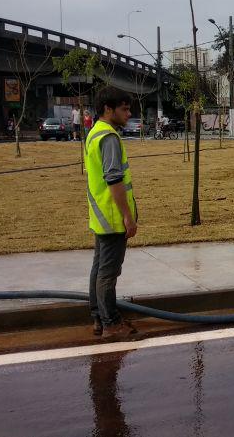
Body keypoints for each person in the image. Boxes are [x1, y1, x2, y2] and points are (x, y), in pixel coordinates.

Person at [85, 87, 139, 341]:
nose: (129, 113)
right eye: (124, 108)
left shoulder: (94, 133)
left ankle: (98, 315)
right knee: (108, 273)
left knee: (99, 269)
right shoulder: (108, 137)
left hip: (100, 215)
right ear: (108, 109)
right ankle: (110, 323)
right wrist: (127, 216)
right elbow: (114, 179)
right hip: (112, 216)